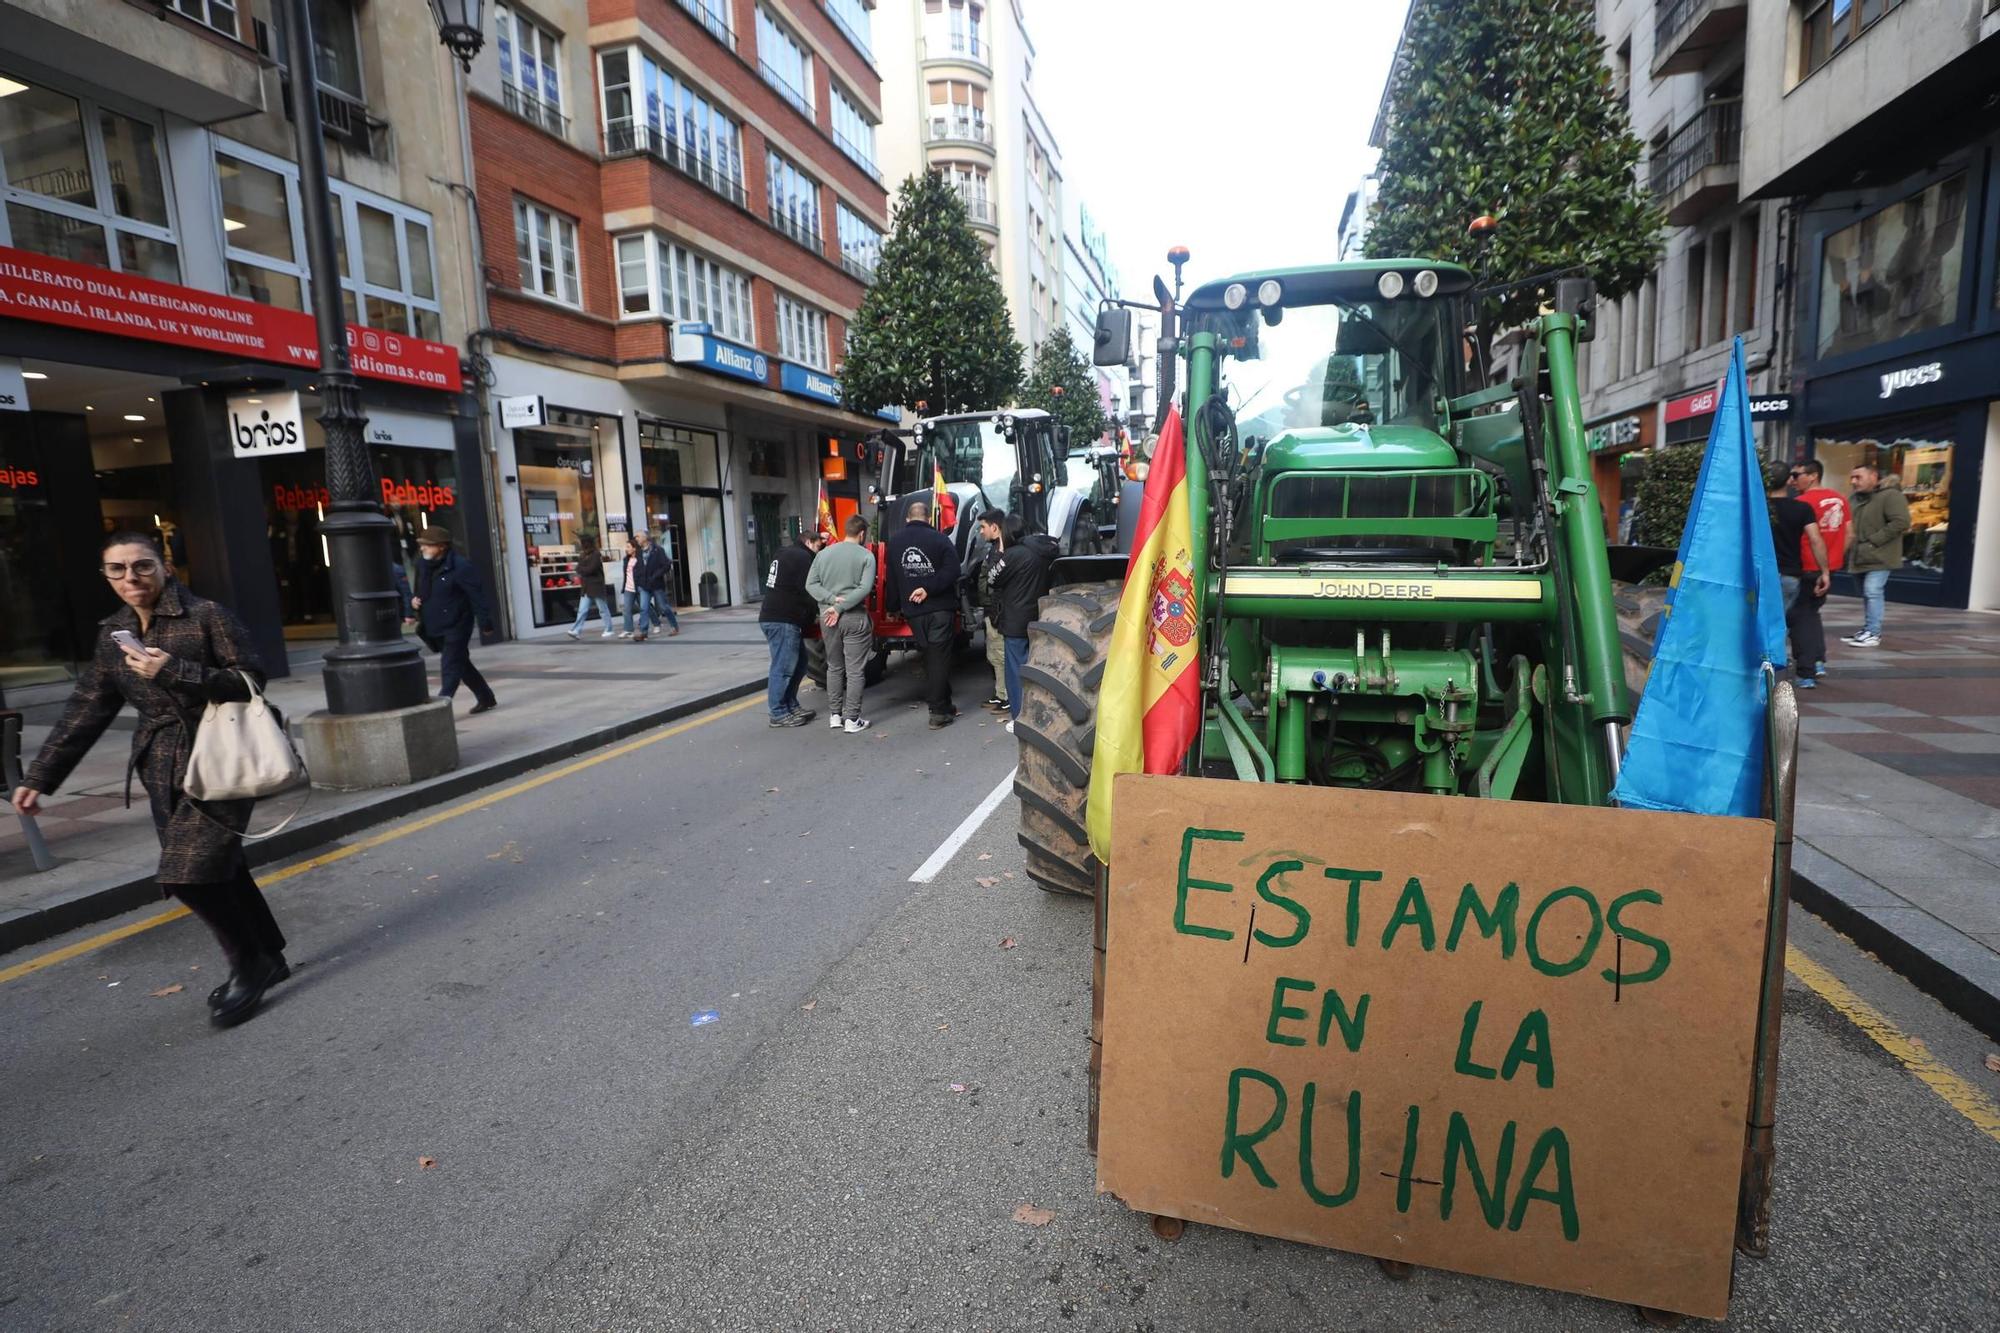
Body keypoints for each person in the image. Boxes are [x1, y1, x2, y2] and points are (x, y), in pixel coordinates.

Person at [10, 532, 290, 1028]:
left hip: (222, 757)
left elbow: (250, 679)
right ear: (106, 576)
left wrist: (176, 670)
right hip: (160, 766)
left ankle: (251, 964)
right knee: (218, 866)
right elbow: (87, 709)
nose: (130, 578)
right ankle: (270, 950)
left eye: (141, 566)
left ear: (165, 567)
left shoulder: (206, 615)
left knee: (188, 873)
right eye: (116, 570)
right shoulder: (112, 632)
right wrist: (41, 776)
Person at [886, 499, 961, 728]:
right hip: (939, 609)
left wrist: (892, 608)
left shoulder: (895, 542)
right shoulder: (941, 540)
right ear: (929, 518)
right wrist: (929, 588)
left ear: (908, 518)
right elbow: (953, 571)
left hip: (914, 612)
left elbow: (893, 579)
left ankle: (944, 703)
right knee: (938, 658)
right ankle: (938, 710)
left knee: (931, 656)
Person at [413, 526, 498, 714]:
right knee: (461, 663)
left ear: (441, 546)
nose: (423, 549)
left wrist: (486, 623)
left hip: (457, 623)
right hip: (434, 624)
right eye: (422, 545)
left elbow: (478, 596)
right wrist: (415, 601)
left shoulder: (461, 567)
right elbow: (421, 590)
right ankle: (486, 698)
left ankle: (441, 706)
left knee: (450, 663)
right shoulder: (422, 565)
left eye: (427, 545)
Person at [988, 518, 1059, 734]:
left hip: (1015, 622)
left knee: (1016, 672)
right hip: (1039, 615)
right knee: (1039, 667)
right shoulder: (1043, 551)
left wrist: (1000, 552)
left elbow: (992, 578)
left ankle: (1021, 716)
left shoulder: (1013, 555)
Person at [807, 514, 876, 733]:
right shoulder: (866, 555)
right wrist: (841, 606)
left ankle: (835, 716)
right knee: (855, 671)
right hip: (853, 616)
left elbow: (810, 584)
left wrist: (831, 600)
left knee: (834, 666)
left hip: (827, 616)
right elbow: (864, 589)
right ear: (862, 533)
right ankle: (852, 719)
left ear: (845, 531)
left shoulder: (823, 554)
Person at [1788, 460, 1848, 687]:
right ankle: (1817, 659)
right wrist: (1832, 562)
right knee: (1812, 613)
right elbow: (1850, 533)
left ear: (1812, 475)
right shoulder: (1841, 499)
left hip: (1805, 567)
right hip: (1827, 567)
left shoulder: (1802, 503)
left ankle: (1807, 668)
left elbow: (1812, 538)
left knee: (1801, 617)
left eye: (1796, 475)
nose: (1793, 480)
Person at [1765, 466, 1829, 674]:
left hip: (1762, 574)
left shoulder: (1758, 508)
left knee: (1762, 620)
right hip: (1790, 573)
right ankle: (1775, 663)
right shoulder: (1801, 509)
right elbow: (1815, 539)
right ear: (1789, 481)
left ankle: (1766, 664)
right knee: (1781, 620)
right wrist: (1825, 571)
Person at [760, 527, 824, 727]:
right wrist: (817, 612)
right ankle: (778, 712)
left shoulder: (783, 553)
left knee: (800, 663)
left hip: (775, 617)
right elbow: (809, 590)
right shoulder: (802, 557)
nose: (817, 552)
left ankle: (790, 704)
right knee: (784, 667)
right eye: (817, 547)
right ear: (808, 543)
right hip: (783, 620)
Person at [1843, 463, 1909, 648]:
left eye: (1858, 477)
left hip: (1881, 556)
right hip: (1859, 555)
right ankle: (1868, 629)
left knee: (1872, 591)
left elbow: (1901, 521)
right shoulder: (1854, 498)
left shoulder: (1890, 495)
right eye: (1852, 477)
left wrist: (1874, 540)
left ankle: (1873, 632)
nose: (1854, 481)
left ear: (1873, 476)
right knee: (1865, 593)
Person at [975, 512, 1010, 713]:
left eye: (983, 527)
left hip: (997, 611)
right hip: (991, 610)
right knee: (994, 655)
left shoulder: (1001, 551)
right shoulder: (993, 549)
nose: (980, 532)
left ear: (994, 527)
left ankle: (1005, 696)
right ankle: (1000, 694)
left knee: (1000, 653)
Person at [627, 529, 677, 642]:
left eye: (638, 536)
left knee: (664, 607)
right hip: (644, 585)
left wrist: (655, 576)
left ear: (645, 537)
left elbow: (666, 565)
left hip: (656, 584)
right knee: (644, 608)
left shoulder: (657, 550)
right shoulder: (639, 552)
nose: (636, 539)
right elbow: (637, 567)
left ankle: (674, 626)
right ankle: (644, 632)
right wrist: (638, 579)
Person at [567, 533, 616, 640]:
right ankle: (576, 630)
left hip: (596, 586)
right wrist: (583, 569)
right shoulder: (583, 555)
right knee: (582, 610)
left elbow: (590, 569)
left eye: (582, 543)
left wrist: (582, 570)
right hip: (586, 587)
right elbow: (581, 568)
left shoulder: (596, 554)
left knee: (602, 609)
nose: (581, 545)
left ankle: (609, 629)